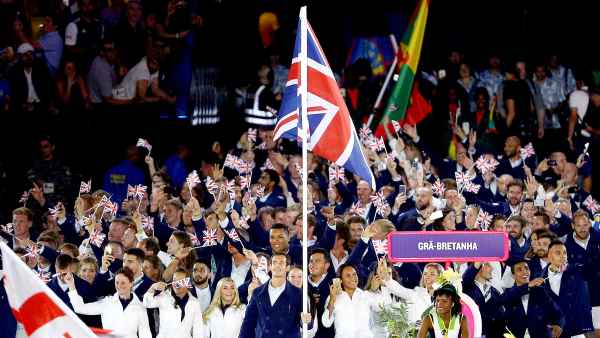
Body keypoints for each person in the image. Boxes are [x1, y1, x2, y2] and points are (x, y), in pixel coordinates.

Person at [67, 267, 152, 338]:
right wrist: (71, 284)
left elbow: (145, 333)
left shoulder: (140, 307)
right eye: (117, 282)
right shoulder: (107, 303)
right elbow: (79, 308)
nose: (119, 286)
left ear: (131, 283)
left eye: (123, 283)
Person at [238, 253, 302, 338]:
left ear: (287, 267)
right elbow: (248, 323)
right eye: (274, 262)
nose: (277, 265)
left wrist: (308, 322)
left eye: (281, 263)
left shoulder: (298, 293)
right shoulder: (257, 292)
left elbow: (305, 321)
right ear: (270, 266)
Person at [542, 240, 594, 338]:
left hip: (577, 331)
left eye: (565, 253)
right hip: (555, 331)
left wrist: (568, 268)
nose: (563, 256)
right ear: (549, 256)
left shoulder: (576, 270)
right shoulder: (539, 277)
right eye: (558, 253)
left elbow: (591, 268)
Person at [502, 259, 564, 338]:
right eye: (519, 269)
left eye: (526, 268)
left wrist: (559, 325)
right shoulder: (509, 293)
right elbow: (503, 299)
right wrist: (527, 286)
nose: (525, 272)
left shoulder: (540, 291)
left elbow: (558, 313)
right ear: (513, 276)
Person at [143, 269, 204, 338]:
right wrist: (153, 287)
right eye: (175, 280)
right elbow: (146, 303)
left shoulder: (195, 303)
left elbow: (198, 330)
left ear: (188, 283)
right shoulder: (164, 296)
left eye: (181, 281)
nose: (177, 284)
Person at [322, 264, 373, 338]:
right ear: (341, 280)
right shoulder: (333, 297)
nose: (353, 278)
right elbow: (326, 323)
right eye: (348, 276)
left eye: (354, 274)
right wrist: (332, 299)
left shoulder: (366, 295)